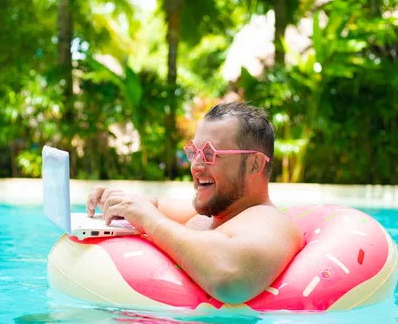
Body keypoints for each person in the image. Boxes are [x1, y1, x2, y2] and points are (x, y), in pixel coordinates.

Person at [86, 102, 304, 304]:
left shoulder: (272, 223)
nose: (195, 166)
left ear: (254, 164)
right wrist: (118, 201)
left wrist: (149, 219)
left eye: (210, 154)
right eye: (194, 152)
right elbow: (155, 205)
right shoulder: (215, 211)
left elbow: (229, 280)